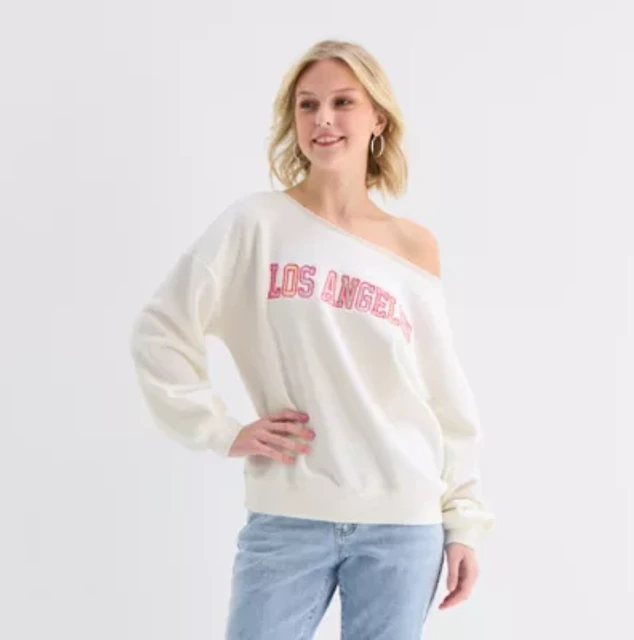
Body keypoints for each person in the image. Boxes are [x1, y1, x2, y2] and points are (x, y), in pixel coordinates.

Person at [129, 39, 495, 640]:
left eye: (343, 102)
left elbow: (444, 397)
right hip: (287, 517)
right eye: (307, 105)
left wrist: (464, 522)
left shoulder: (413, 248)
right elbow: (159, 331)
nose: (323, 118)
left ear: (378, 119)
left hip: (403, 522)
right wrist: (219, 429)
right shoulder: (255, 224)